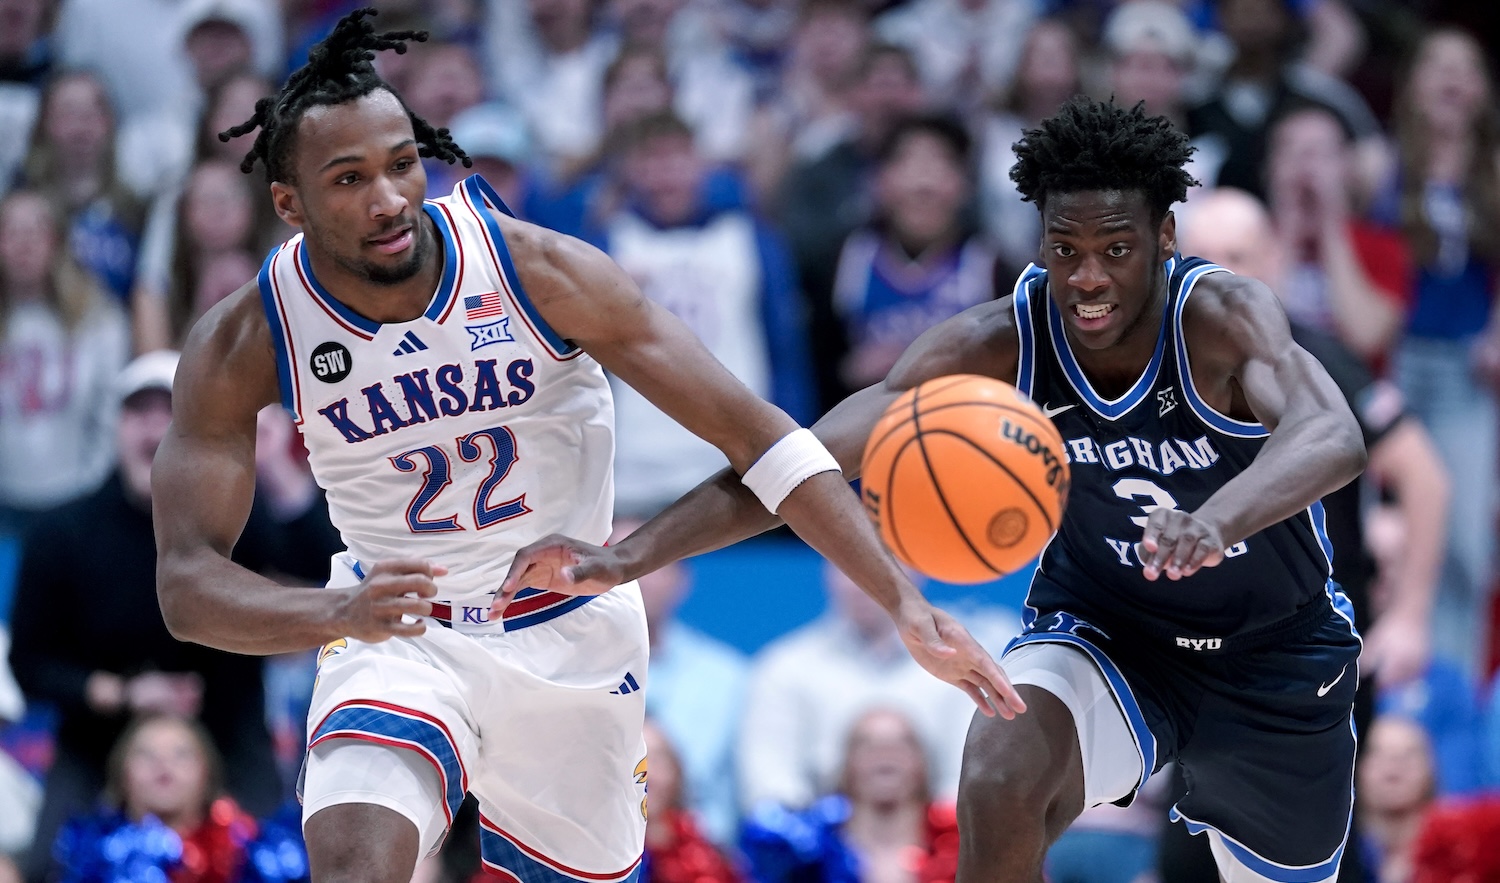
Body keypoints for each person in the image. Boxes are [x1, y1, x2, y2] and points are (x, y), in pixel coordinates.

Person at [151, 10, 1011, 883]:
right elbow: (187, 587)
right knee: (353, 863)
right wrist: (337, 615)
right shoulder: (246, 338)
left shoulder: (537, 270)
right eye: (348, 178)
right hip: (398, 633)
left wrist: (903, 599)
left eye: (402, 164)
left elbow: (760, 438)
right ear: (288, 202)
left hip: (567, 626)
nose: (388, 199)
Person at [506, 96, 1369, 882]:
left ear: (1166, 239)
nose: (1089, 278)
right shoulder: (998, 343)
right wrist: (628, 554)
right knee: (999, 768)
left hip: (1275, 650)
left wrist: (1218, 519)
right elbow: (793, 462)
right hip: (1113, 630)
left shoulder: (1217, 319)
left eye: (1117, 249)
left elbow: (1333, 433)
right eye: (1065, 250)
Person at [9, 351, 292, 882]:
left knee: (277, 861)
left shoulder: (240, 517)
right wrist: (122, 694)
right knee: (47, 865)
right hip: (100, 737)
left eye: (169, 412)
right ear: (114, 427)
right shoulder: (62, 534)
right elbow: (30, 666)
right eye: (137, 412)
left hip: (225, 729)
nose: (153, 426)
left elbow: (322, 561)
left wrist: (274, 467)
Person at [49, 713, 310, 883]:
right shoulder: (87, 859)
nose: (163, 764)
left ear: (206, 773)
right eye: (146, 755)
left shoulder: (257, 855)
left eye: (181, 754)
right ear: (122, 774)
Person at [739, 707, 960, 883]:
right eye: (866, 743)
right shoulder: (802, 855)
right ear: (846, 765)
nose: (885, 752)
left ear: (923, 764)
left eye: (903, 742)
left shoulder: (962, 852)